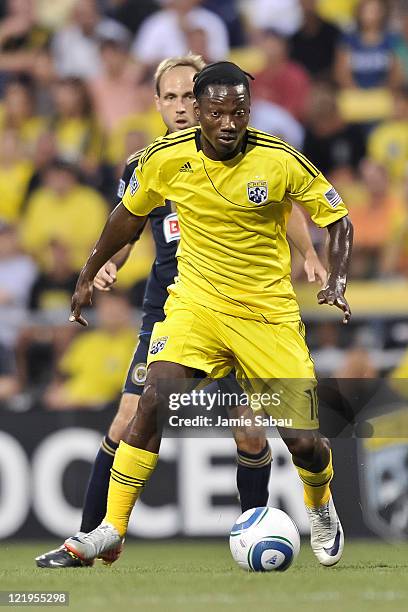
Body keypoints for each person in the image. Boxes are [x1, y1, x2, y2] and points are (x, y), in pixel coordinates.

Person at [36, 57, 328, 568]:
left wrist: (310, 253)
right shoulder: (149, 161)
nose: (179, 107)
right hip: (176, 303)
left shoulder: (245, 152)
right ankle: (96, 534)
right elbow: (129, 222)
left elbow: (282, 207)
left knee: (252, 426)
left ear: (204, 100)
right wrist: (106, 267)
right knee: (134, 412)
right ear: (157, 104)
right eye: (168, 98)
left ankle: (254, 529)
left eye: (186, 98)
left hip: (249, 305)